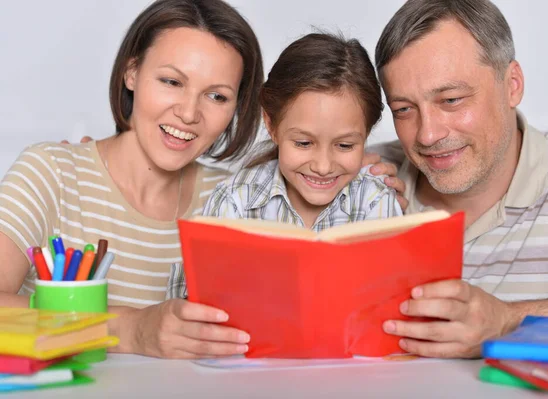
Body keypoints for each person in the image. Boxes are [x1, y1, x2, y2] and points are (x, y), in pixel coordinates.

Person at [0, 0, 403, 358]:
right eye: (172, 81)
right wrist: (129, 329)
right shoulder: (51, 173)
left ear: (239, 108)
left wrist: (369, 173)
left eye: (217, 96)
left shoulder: (233, 200)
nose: (189, 113)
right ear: (132, 73)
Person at [374, 0, 548, 359]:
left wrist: (509, 321)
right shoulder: (363, 176)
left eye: (451, 99)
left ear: (512, 85)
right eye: (403, 110)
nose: (428, 134)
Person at [167, 33, 403, 300]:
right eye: (303, 143)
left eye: (345, 146)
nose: (323, 167)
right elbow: (195, 303)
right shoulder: (237, 200)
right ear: (272, 125)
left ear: (367, 133)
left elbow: (390, 303)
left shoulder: (375, 201)